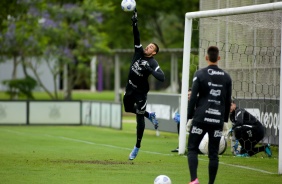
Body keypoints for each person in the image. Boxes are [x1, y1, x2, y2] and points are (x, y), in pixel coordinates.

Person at [123, 9, 165, 160]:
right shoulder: (139, 52)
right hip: (129, 88)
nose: (148, 47)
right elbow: (137, 37)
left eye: (151, 47)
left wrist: (150, 69)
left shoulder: (153, 62)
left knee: (139, 119)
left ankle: (137, 147)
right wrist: (135, 22)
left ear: (154, 53)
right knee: (128, 108)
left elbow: (162, 77)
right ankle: (150, 115)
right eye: (148, 46)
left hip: (141, 93)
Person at [187, 46, 232, 184]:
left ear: (206, 57)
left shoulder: (199, 74)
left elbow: (193, 97)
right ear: (218, 58)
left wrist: (189, 116)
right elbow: (227, 100)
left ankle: (194, 179)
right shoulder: (226, 77)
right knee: (213, 154)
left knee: (192, 149)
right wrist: (224, 121)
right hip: (217, 119)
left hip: (201, 117)